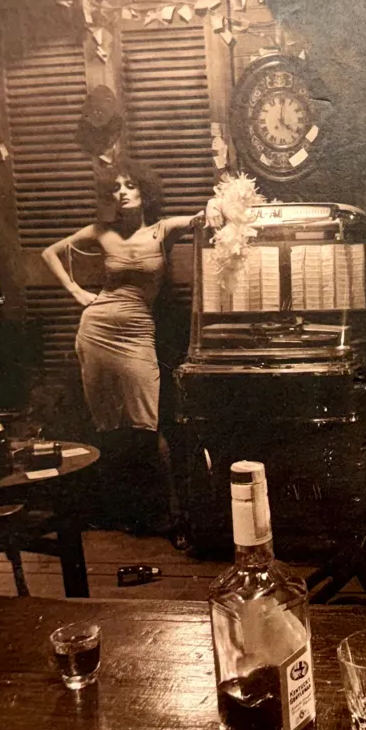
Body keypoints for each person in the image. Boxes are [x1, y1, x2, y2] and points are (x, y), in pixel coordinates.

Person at [41, 159, 222, 538]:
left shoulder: (161, 230)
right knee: (109, 427)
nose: (122, 193)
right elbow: (49, 253)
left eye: (130, 186)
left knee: (148, 426)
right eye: (116, 188)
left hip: (138, 333)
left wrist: (215, 205)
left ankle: (172, 518)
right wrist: (76, 291)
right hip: (96, 332)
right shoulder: (101, 232)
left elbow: (201, 218)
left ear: (145, 191)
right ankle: (121, 514)